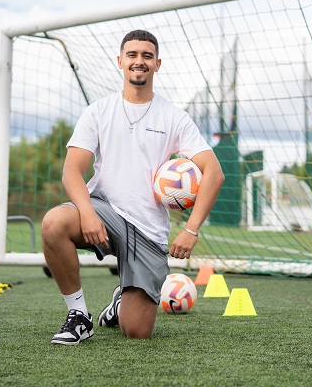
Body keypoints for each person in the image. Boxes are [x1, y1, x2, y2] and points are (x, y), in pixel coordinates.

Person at [41, 29, 225, 344]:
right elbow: (72, 171)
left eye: (147, 56)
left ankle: (120, 300)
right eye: (132, 55)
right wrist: (86, 212)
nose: (139, 61)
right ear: (120, 61)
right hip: (105, 211)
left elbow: (214, 173)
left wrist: (191, 229)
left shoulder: (174, 117)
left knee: (136, 332)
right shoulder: (98, 112)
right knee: (54, 223)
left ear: (157, 64)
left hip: (148, 230)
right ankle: (79, 316)